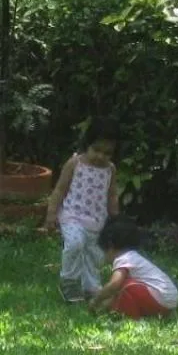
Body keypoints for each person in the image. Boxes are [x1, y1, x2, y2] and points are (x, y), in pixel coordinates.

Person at [43, 118, 121, 302]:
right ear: (87, 144)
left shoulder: (110, 169)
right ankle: (69, 282)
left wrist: (116, 219)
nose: (101, 156)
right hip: (72, 216)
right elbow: (60, 189)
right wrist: (51, 214)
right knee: (75, 244)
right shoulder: (75, 163)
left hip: (96, 220)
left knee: (94, 255)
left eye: (107, 153)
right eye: (96, 149)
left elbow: (112, 195)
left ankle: (90, 287)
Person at [89, 217, 178, 319]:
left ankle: (130, 318)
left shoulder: (123, 259)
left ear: (110, 247)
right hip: (168, 302)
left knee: (125, 287)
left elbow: (113, 285)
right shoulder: (133, 257)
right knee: (124, 287)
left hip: (160, 300)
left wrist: (96, 300)